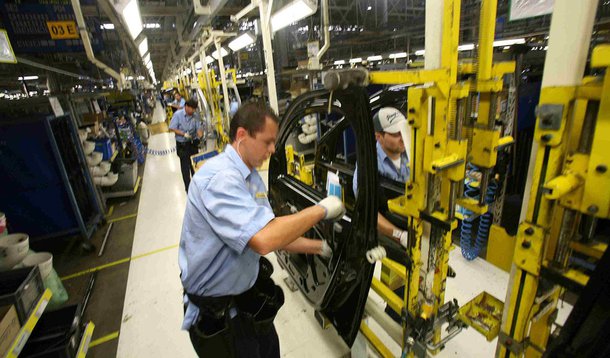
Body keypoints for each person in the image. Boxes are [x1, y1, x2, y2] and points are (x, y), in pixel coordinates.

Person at [179, 102, 345, 357]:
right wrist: (322, 210)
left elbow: (271, 231)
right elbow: (264, 240)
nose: (273, 149)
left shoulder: (251, 178)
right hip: (219, 318)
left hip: (246, 301)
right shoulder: (219, 180)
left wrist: (318, 247)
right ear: (242, 136)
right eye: (267, 142)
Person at [353, 107, 410, 247]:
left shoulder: (411, 150)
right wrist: (399, 235)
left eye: (404, 130)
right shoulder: (368, 164)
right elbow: (367, 211)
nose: (403, 138)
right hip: (389, 233)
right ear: (379, 136)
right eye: (396, 134)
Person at [169, 99, 203, 191]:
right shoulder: (178, 115)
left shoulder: (195, 116)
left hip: (192, 143)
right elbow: (172, 128)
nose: (193, 111)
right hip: (182, 145)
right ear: (186, 106)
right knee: (185, 167)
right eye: (192, 109)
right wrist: (183, 134)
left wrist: (200, 138)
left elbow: (198, 128)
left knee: (195, 165)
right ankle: (188, 188)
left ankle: (197, 187)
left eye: (194, 109)